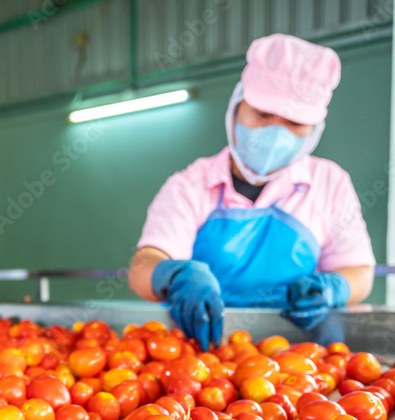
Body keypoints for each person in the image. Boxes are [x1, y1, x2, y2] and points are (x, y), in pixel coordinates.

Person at [127, 34, 375, 349]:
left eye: (295, 123)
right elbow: (142, 266)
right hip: (202, 352)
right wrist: (173, 277)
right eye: (262, 115)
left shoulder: (330, 183)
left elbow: (359, 272)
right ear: (237, 106)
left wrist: (334, 288)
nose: (276, 133)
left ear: (315, 129)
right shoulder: (189, 185)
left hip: (296, 356)